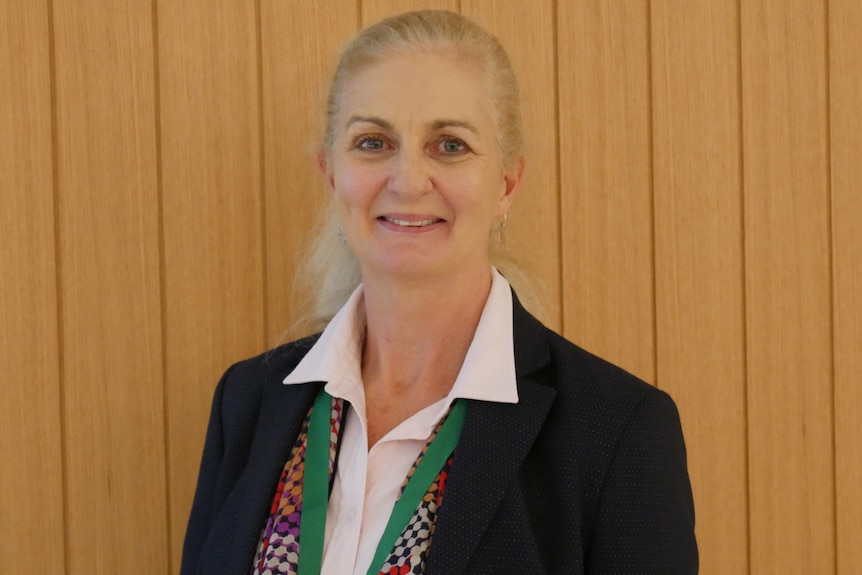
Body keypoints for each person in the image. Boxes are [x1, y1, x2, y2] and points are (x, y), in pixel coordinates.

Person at [181, 10, 697, 575]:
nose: (407, 180)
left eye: (449, 145)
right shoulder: (249, 403)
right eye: (373, 142)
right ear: (331, 175)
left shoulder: (617, 432)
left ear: (506, 183)